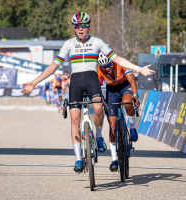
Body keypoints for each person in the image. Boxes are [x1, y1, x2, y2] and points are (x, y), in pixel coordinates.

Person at [21, 12, 154, 173]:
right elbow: (54, 66)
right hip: (76, 83)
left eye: (84, 25)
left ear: (89, 26)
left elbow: (117, 59)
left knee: (98, 109)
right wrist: (34, 82)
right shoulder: (68, 44)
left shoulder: (97, 42)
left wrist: (138, 68)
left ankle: (98, 136)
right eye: (77, 26)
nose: (81, 29)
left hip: (92, 82)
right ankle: (78, 159)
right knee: (75, 120)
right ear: (74, 28)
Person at [97, 52, 140, 172]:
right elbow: (95, 86)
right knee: (112, 126)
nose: (107, 69)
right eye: (104, 67)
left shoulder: (120, 64)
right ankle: (114, 159)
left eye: (109, 65)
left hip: (125, 86)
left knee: (127, 103)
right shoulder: (99, 70)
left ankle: (132, 127)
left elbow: (132, 80)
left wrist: (135, 95)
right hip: (112, 91)